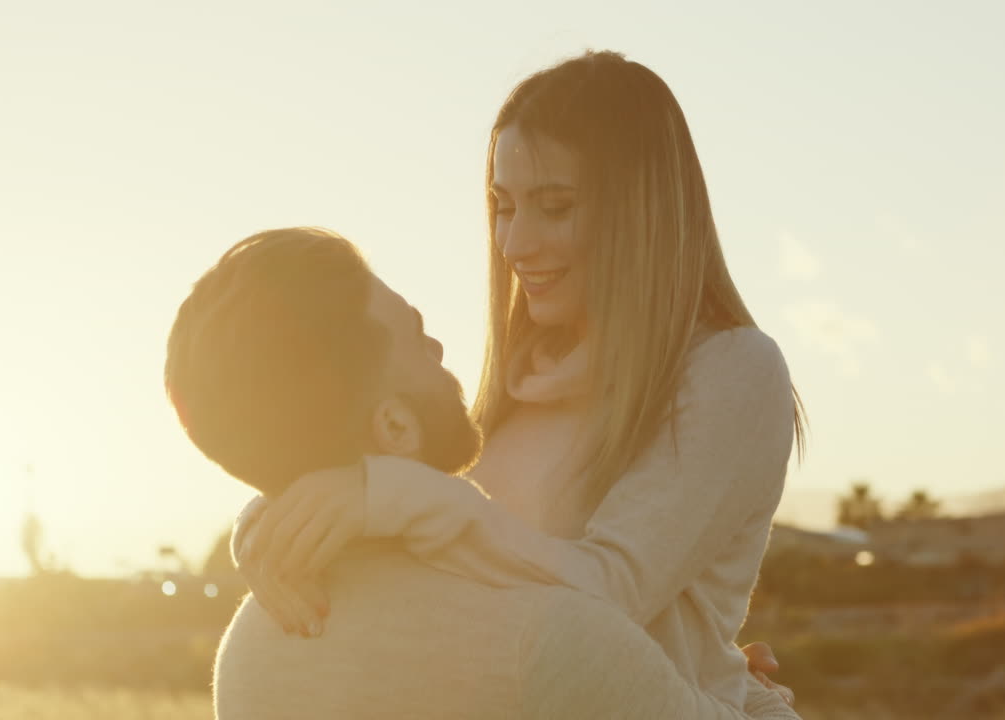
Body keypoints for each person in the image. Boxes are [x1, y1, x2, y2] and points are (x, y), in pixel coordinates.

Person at [237, 50, 805, 715]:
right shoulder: (514, 385)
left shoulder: (732, 368)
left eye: (555, 207)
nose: (514, 243)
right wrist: (275, 524)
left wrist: (396, 497)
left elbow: (608, 598)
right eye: (503, 207)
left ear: (644, 210)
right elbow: (418, 527)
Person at [167, 227, 795, 719]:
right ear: (394, 428)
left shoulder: (250, 652)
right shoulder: (547, 639)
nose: (441, 349)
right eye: (417, 337)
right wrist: (747, 692)